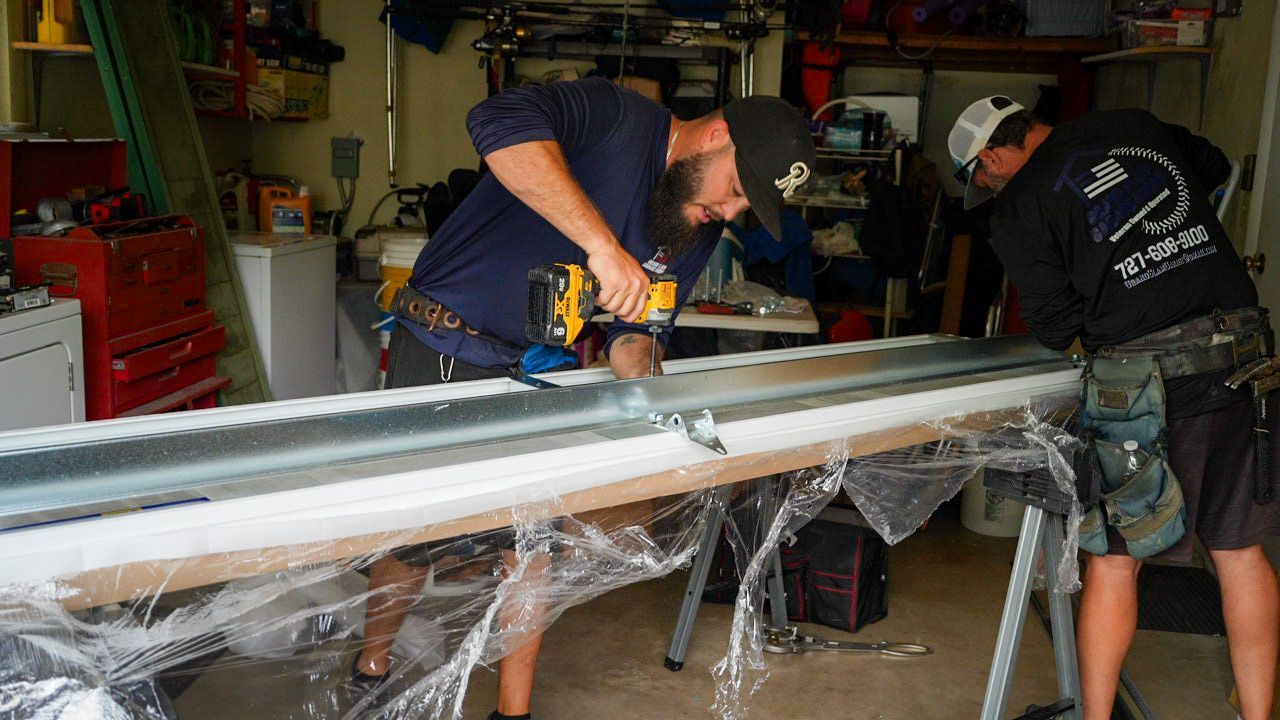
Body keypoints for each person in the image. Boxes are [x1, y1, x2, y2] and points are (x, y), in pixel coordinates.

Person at [353, 77, 816, 720]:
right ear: (716, 137)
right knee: (415, 535)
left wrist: (653, 388)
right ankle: (370, 669)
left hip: (537, 369)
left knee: (532, 545)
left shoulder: (693, 226)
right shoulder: (615, 118)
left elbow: (636, 335)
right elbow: (495, 122)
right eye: (737, 189)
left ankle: (512, 714)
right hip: (443, 341)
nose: (732, 213)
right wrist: (603, 248)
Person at [949, 96, 1280, 720]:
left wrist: (1105, 278)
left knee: (1114, 559)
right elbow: (1211, 165)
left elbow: (1054, 325)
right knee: (1239, 551)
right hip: (1242, 352)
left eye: (983, 179)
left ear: (991, 157)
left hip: (1147, 380)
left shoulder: (1020, 207)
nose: (990, 189)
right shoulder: (1131, 124)